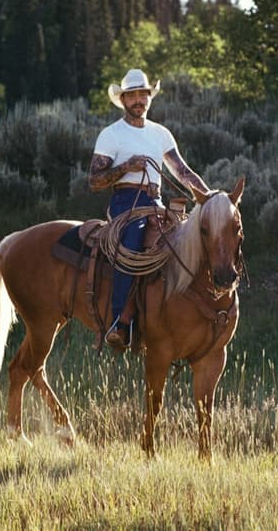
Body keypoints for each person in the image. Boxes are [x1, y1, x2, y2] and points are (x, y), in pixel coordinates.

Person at [89, 69, 210, 350]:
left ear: (149, 97)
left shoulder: (160, 133)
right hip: (125, 203)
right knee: (133, 244)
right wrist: (125, 168)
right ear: (123, 100)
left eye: (143, 94)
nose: (138, 100)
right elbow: (94, 180)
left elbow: (182, 172)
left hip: (154, 202)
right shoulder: (111, 135)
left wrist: (208, 198)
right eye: (132, 95)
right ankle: (120, 322)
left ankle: (179, 319)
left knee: (188, 240)